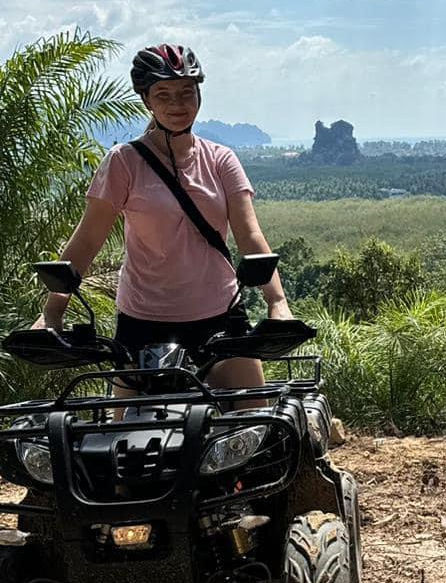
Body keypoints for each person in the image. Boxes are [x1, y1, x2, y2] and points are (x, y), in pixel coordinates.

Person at [33, 43, 291, 392]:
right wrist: (51, 313)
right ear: (147, 101)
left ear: (199, 96)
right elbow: (87, 240)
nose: (177, 105)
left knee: (254, 426)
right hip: (142, 321)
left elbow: (250, 236)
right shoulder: (124, 161)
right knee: (125, 435)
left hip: (219, 314)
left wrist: (277, 304)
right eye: (164, 94)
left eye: (186, 93)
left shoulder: (221, 160)